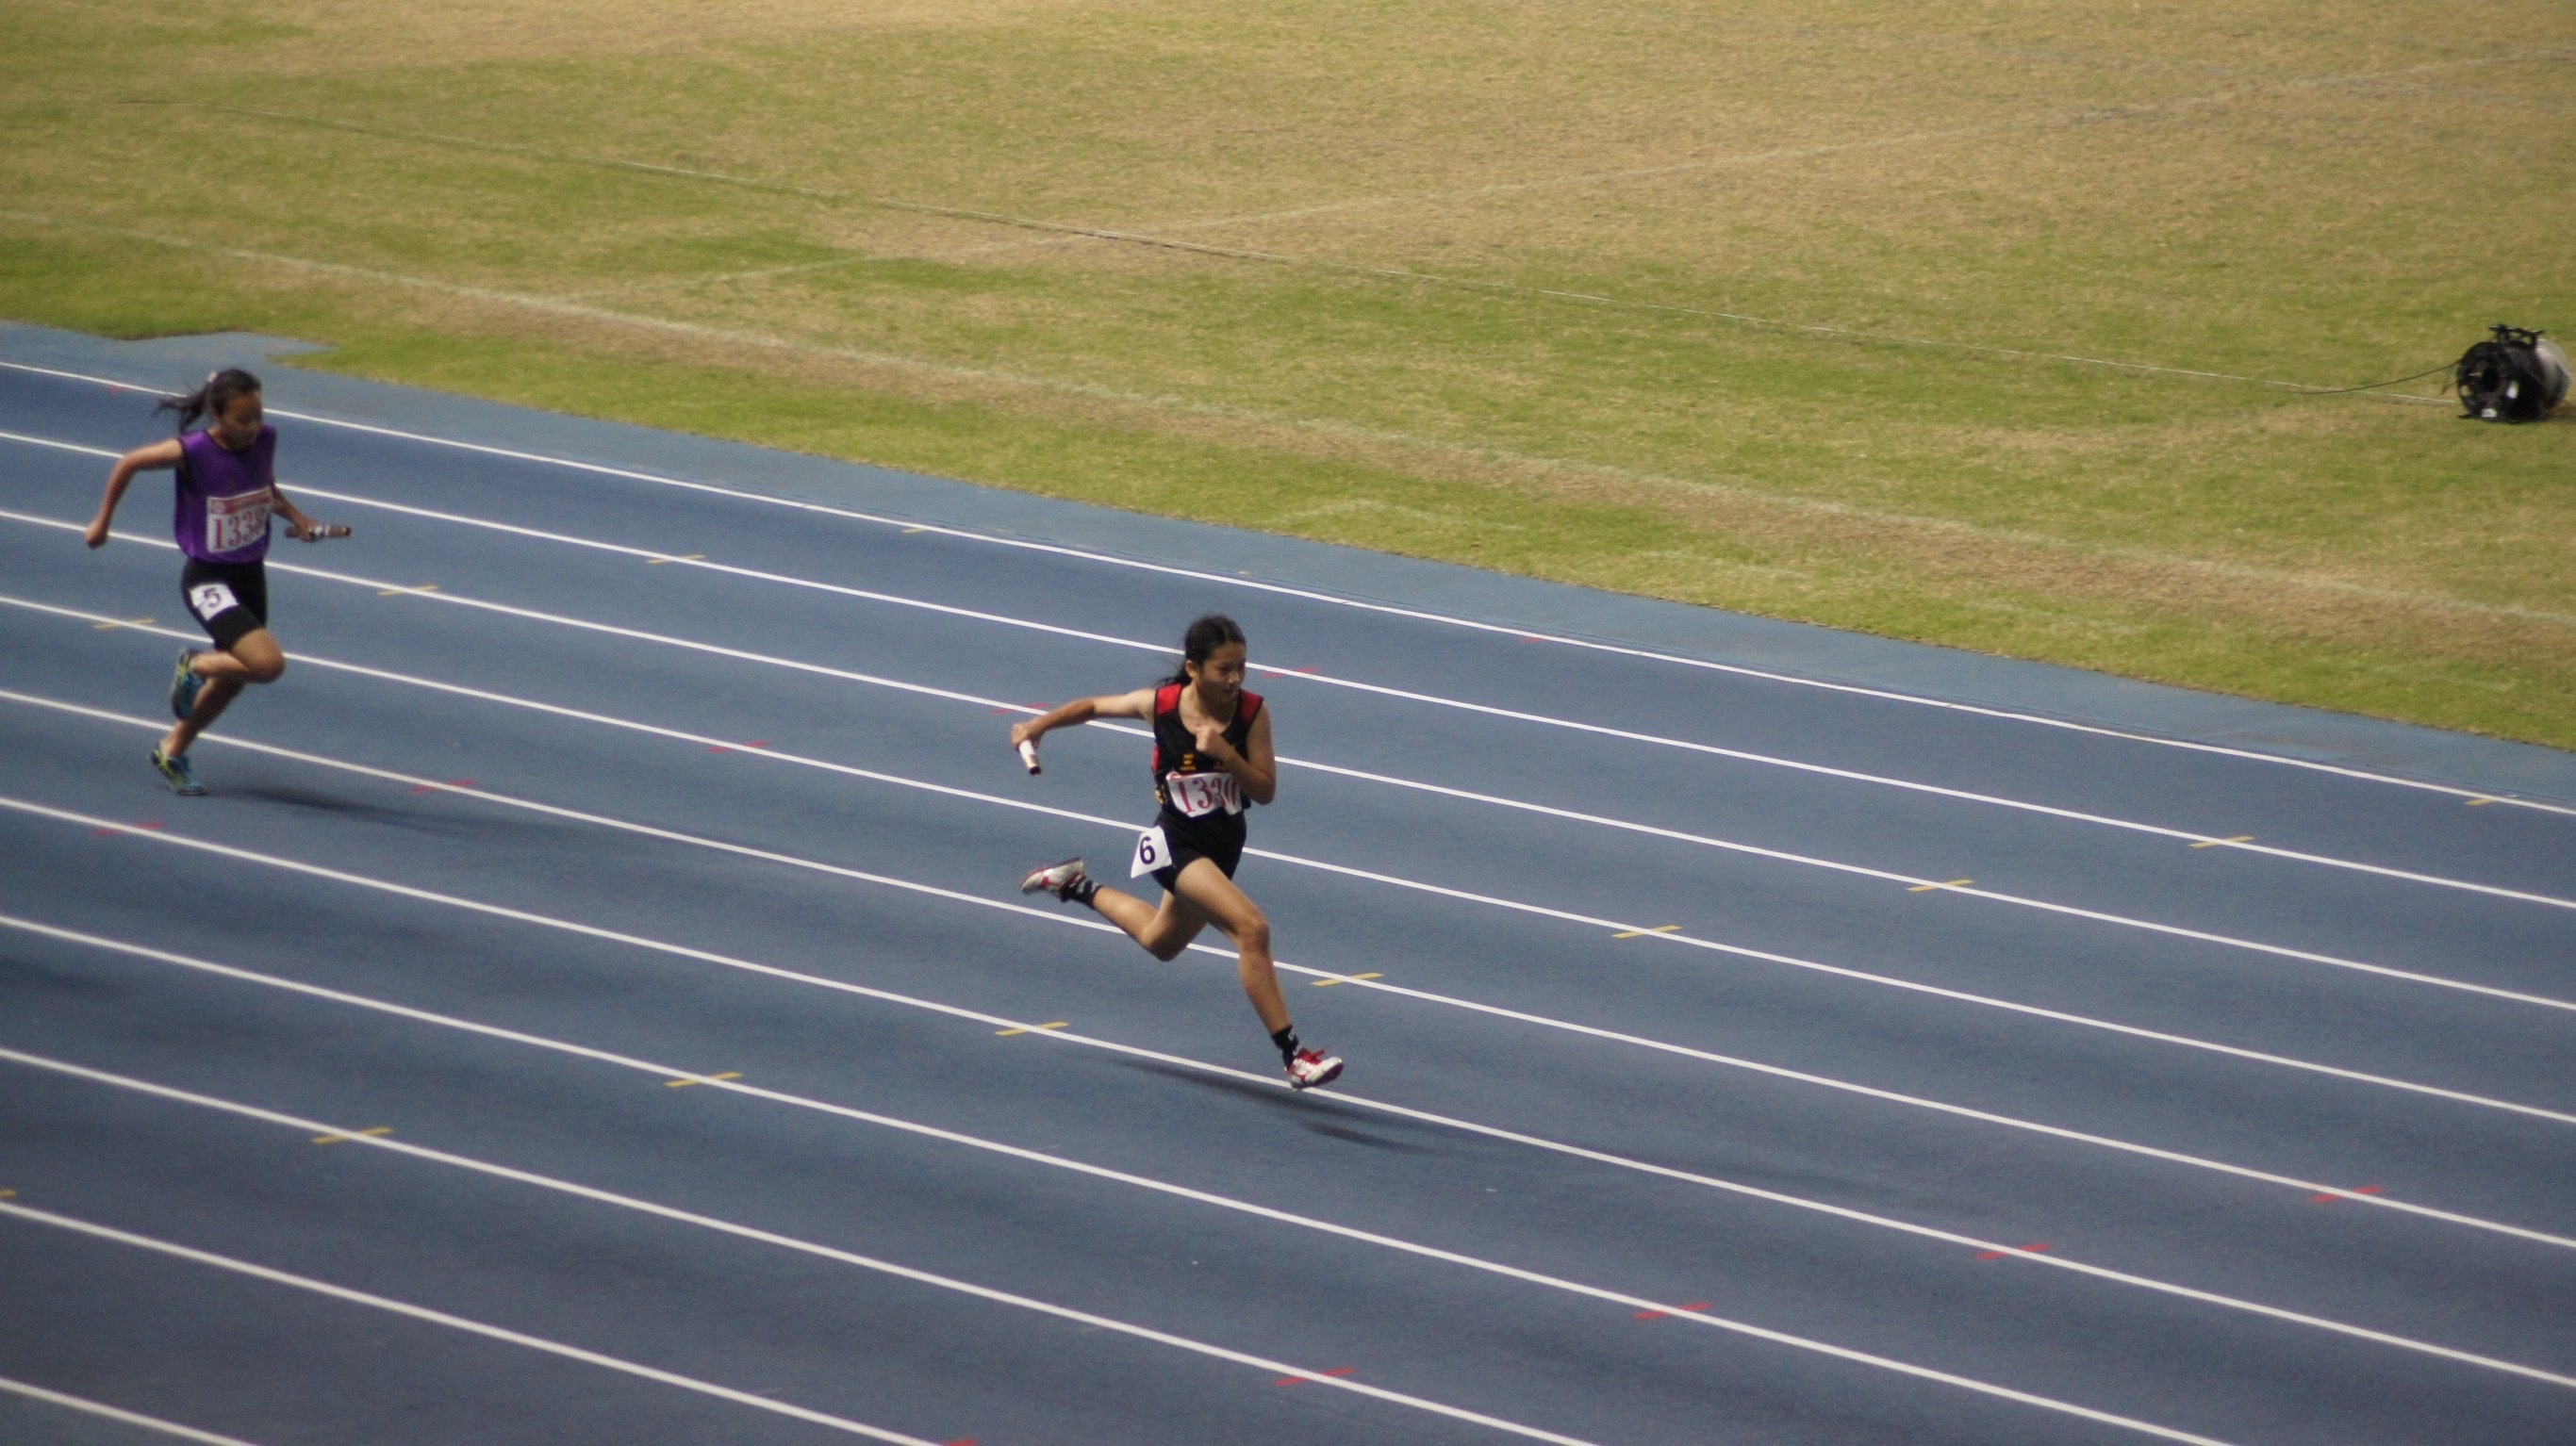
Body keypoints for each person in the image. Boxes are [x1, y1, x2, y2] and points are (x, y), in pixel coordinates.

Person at [1014, 614, 1345, 1090]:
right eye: (1223, 670)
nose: (1234, 680)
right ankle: (1294, 1056)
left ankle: (1074, 883)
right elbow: (1092, 706)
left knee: (1160, 941)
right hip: (1176, 846)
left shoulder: (1252, 713)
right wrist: (1038, 726)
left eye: (1241, 669)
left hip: (1223, 848)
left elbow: (1266, 790)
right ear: (1194, 668)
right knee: (1252, 929)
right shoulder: (1161, 705)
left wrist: (1227, 756)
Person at [84, 369, 343, 796]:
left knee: (236, 678)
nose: (253, 427)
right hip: (208, 579)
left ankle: (173, 749)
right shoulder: (192, 451)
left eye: (258, 416)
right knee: (268, 665)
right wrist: (102, 523)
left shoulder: (265, 440)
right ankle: (196, 664)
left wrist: (299, 519)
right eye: (243, 420)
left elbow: (264, 488)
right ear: (217, 415)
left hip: (250, 574)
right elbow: (128, 462)